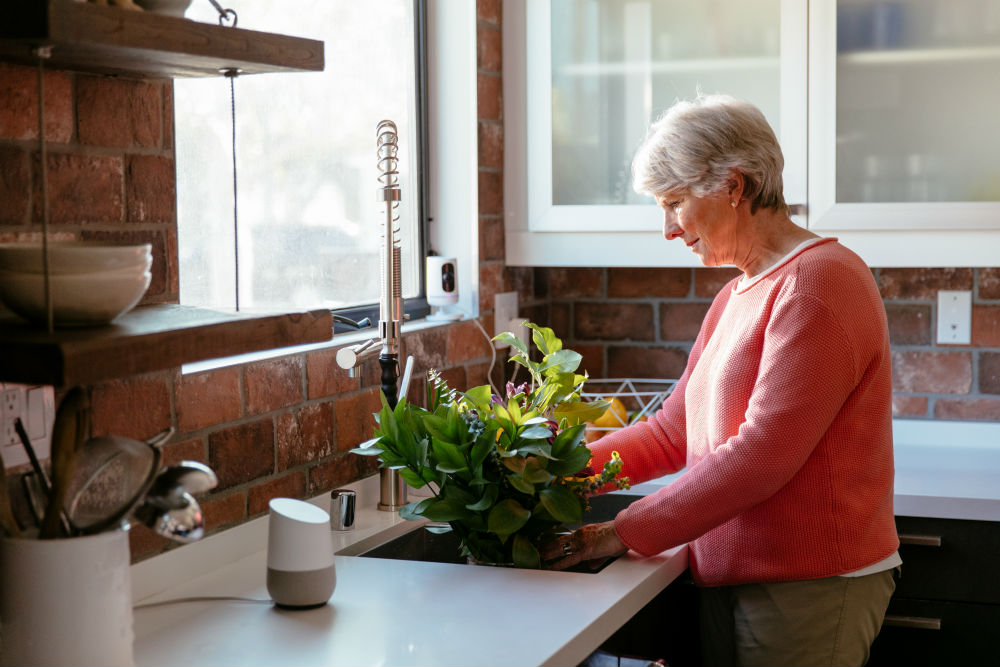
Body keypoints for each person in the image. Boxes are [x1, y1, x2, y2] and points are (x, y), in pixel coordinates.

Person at [541, 94, 899, 667]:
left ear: (733, 186)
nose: (667, 229)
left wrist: (617, 532)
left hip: (810, 582)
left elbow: (761, 456)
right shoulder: (738, 292)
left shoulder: (820, 283)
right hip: (734, 573)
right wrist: (555, 473)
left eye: (674, 203)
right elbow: (671, 433)